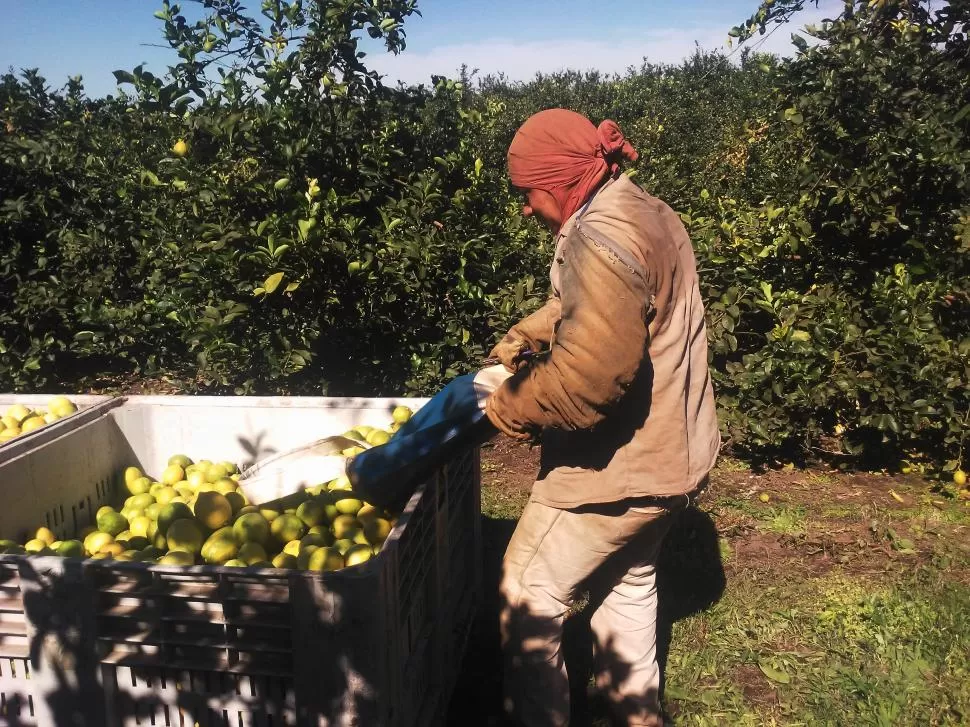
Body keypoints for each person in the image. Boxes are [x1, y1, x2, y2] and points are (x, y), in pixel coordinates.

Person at [484, 108, 720, 727]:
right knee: (629, 580)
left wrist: (502, 408)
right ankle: (635, 715)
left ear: (560, 181)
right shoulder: (641, 208)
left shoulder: (598, 235)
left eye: (527, 193)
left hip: (625, 466)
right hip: (676, 453)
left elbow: (590, 381)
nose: (527, 208)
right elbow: (590, 302)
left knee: (526, 592)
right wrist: (528, 332)